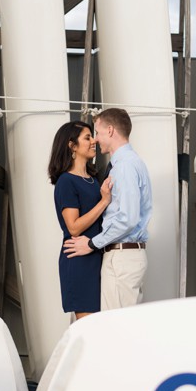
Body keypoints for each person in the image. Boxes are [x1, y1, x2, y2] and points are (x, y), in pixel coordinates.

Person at [64, 107, 152, 310]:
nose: (95, 139)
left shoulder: (124, 166)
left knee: (117, 330)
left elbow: (127, 218)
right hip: (125, 257)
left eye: (98, 133)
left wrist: (93, 243)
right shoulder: (129, 162)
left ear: (110, 130)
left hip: (121, 258)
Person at [48, 120, 112, 319]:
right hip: (79, 261)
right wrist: (104, 202)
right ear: (72, 145)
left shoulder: (93, 180)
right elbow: (73, 228)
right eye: (87, 137)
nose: (94, 141)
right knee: (88, 330)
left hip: (96, 256)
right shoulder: (66, 181)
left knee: (101, 329)